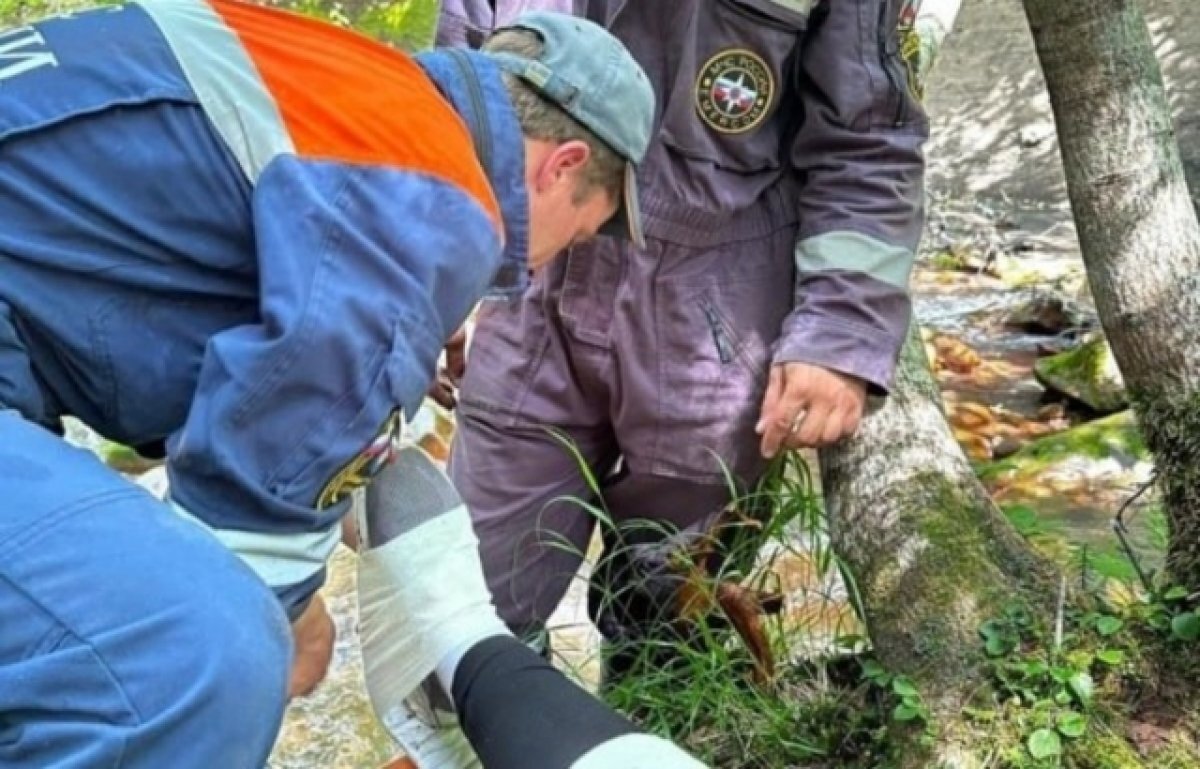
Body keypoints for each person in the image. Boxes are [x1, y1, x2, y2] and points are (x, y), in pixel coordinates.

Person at [0, 2, 708, 766]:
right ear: (562, 164)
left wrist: (365, 408)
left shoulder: (351, 82)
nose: (547, 262)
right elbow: (255, 501)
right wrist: (294, 612)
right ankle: (455, 639)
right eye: (584, 228)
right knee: (205, 651)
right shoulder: (437, 186)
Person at [395, 0, 927, 764]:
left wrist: (843, 329)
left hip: (714, 316)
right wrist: (451, 263)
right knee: (464, 601)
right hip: (528, 290)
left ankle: (650, 734)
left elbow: (868, 137)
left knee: (664, 610)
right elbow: (458, 99)